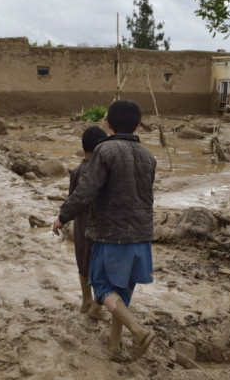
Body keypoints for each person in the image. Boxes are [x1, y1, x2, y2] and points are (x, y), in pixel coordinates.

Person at [52, 100, 156, 362]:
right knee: (121, 293)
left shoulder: (105, 151)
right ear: (138, 125)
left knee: (102, 289)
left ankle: (138, 331)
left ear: (108, 124)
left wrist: (62, 217)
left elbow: (86, 191)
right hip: (142, 235)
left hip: (111, 234)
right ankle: (114, 346)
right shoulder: (148, 156)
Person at [70, 125, 108, 321]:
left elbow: (72, 200)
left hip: (80, 225)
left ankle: (86, 300)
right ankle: (96, 306)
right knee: (99, 268)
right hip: (100, 228)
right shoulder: (102, 172)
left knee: (83, 265)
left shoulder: (77, 171)